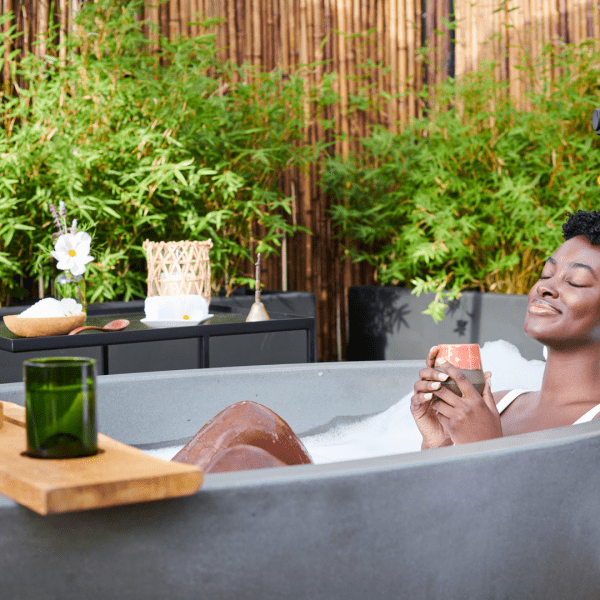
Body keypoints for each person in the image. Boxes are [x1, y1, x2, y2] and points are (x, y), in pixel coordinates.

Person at [411, 209, 600, 448]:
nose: (545, 288)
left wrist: (485, 445)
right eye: (546, 274)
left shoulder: (594, 428)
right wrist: (437, 443)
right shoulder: (495, 406)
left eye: (576, 281)